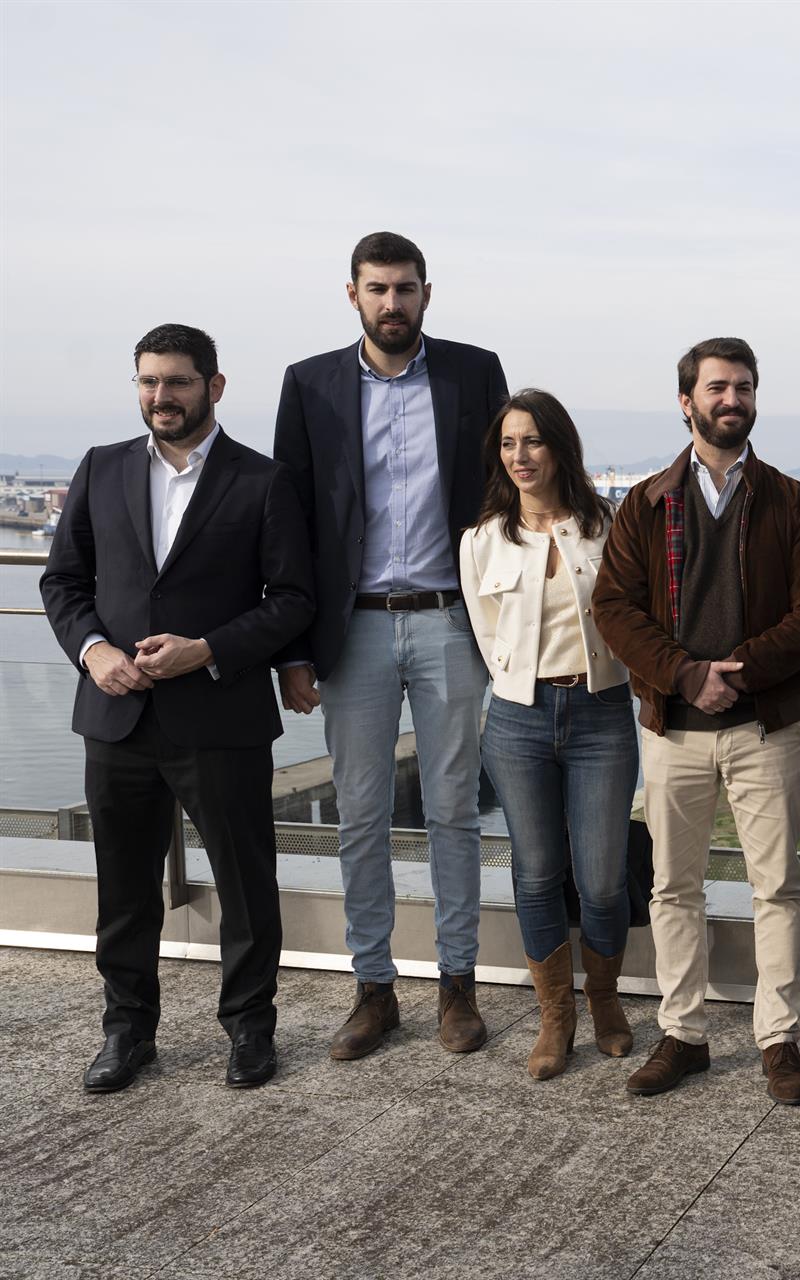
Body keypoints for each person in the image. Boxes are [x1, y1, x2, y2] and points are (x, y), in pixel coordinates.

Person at [41, 324, 315, 1092]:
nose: (161, 397)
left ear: (214, 387)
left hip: (219, 717)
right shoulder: (99, 469)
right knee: (123, 890)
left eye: (178, 382)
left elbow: (293, 599)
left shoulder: (262, 482)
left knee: (245, 886)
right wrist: (94, 650)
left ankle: (250, 1032)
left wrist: (210, 648)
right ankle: (127, 1034)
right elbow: (62, 584)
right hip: (114, 715)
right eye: (148, 382)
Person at [273, 232, 509, 1060]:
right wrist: (293, 648)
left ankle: (458, 989)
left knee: (452, 812)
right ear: (353, 295)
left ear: (426, 294)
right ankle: (373, 991)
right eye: (378, 289)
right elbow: (290, 521)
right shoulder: (310, 385)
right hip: (355, 629)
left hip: (452, 621)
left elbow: (506, 495)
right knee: (361, 815)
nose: (392, 303)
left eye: (406, 289)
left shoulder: (474, 373)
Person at [593, 337, 800, 1106]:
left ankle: (779, 1038)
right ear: (687, 401)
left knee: (778, 888)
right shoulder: (644, 503)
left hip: (765, 725)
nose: (731, 399)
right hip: (672, 728)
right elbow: (613, 609)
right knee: (675, 888)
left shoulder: (792, 501)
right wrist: (687, 675)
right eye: (717, 388)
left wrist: (739, 672)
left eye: (743, 387)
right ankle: (685, 1036)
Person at [458, 389, 638, 1081]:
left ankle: (606, 1003)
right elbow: (484, 633)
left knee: (600, 879)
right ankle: (555, 1017)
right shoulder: (482, 541)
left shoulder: (608, 528)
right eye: (508, 443)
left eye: (532, 441)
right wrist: (515, 687)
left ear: (561, 447)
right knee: (535, 874)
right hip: (517, 721)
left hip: (601, 715)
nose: (520, 455)